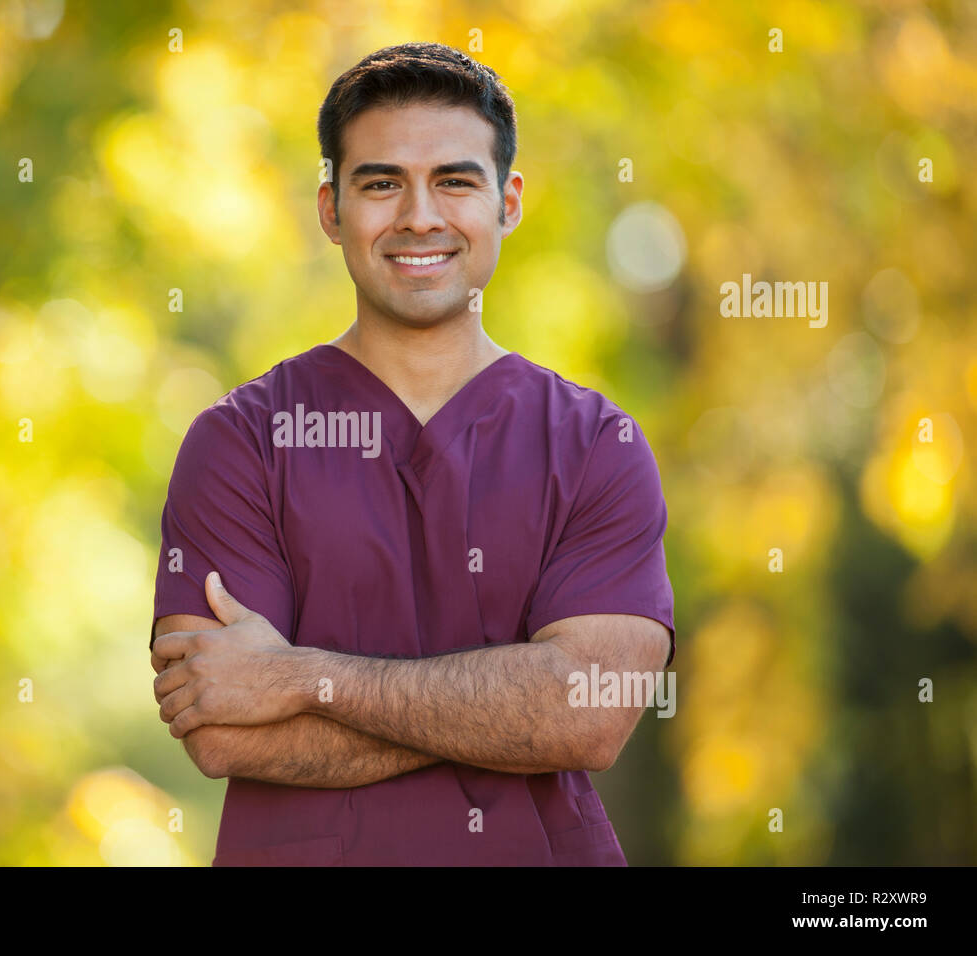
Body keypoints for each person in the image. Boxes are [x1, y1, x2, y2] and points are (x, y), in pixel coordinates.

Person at [150, 41, 674, 866]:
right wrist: (513, 711)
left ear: (509, 201)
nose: (419, 217)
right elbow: (219, 732)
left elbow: (588, 714)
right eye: (381, 182)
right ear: (331, 209)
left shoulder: (595, 445)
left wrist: (294, 679)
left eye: (456, 181)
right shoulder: (240, 442)